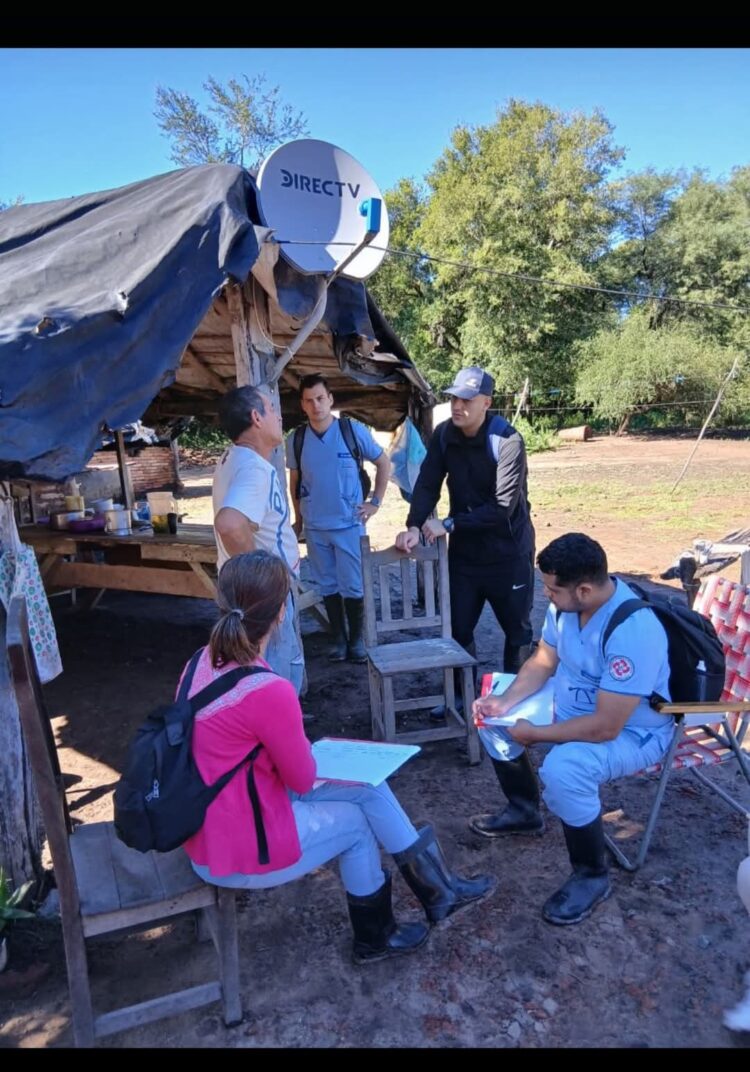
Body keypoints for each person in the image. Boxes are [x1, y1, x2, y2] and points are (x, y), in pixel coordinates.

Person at [181, 550, 496, 964]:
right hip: (237, 846)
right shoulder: (266, 689)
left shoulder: (199, 663)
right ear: (280, 615)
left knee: (368, 786)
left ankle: (440, 891)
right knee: (356, 825)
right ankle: (375, 939)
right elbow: (299, 778)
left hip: (213, 821)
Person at [470, 532, 674, 926]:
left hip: (634, 732)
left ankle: (591, 874)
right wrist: (505, 702)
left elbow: (605, 727)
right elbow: (545, 658)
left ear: (583, 589)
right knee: (490, 717)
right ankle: (525, 810)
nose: (545, 595)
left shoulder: (633, 629)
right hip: (573, 704)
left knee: (565, 768)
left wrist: (536, 734)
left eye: (551, 589)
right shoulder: (567, 607)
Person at [394, 366, 535, 717]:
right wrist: (414, 525)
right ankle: (461, 697)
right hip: (465, 558)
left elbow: (503, 508)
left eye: (467, 399)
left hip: (509, 553)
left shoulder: (507, 441)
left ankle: (512, 702)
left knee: (517, 631)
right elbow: (427, 484)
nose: (458, 405)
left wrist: (451, 522)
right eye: (455, 397)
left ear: (486, 402)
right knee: (457, 628)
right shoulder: (444, 436)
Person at [287, 374, 390, 663]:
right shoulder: (296, 440)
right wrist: (298, 519)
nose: (316, 405)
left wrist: (375, 503)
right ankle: (338, 639)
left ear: (330, 399)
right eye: (309, 401)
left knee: (353, 585)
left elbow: (384, 463)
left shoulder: (352, 431)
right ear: (302, 405)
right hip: (316, 527)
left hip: (349, 525)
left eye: (320, 398)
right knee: (327, 585)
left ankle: (357, 640)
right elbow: (294, 483)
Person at [212, 384, 304, 694]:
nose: (279, 417)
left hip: (247, 594)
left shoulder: (233, 459)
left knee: (253, 683)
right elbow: (230, 524)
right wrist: (263, 578)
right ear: (256, 417)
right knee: (274, 684)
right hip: (264, 599)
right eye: (272, 410)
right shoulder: (253, 468)